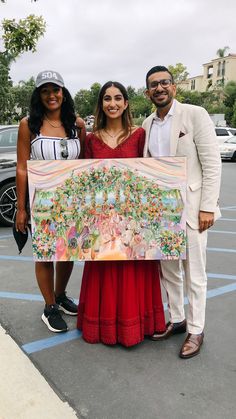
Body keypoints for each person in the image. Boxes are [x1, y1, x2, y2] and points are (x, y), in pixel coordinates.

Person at [77, 81, 166, 346]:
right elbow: (85, 178)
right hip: (102, 222)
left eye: (118, 98)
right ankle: (101, 327)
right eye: (107, 98)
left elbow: (149, 176)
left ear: (126, 103)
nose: (112, 103)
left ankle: (136, 325)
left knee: (131, 271)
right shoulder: (91, 139)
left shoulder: (140, 135)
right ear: (101, 104)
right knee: (105, 270)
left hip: (133, 222)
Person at [143, 66, 221, 358]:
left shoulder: (194, 114)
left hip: (192, 210)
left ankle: (196, 330)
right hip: (162, 212)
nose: (159, 88)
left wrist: (207, 207)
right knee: (170, 272)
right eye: (153, 85)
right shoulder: (147, 123)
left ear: (173, 87)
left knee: (195, 274)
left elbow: (212, 164)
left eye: (164, 82)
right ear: (147, 92)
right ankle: (177, 320)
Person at [16, 70, 86, 333]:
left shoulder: (77, 125)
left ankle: (60, 295)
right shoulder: (29, 124)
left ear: (63, 93)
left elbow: (83, 164)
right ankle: (49, 307)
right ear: (38, 95)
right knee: (45, 255)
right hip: (42, 202)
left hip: (72, 203)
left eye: (55, 90)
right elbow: (22, 168)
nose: (51, 95)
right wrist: (21, 208)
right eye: (45, 91)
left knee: (68, 253)